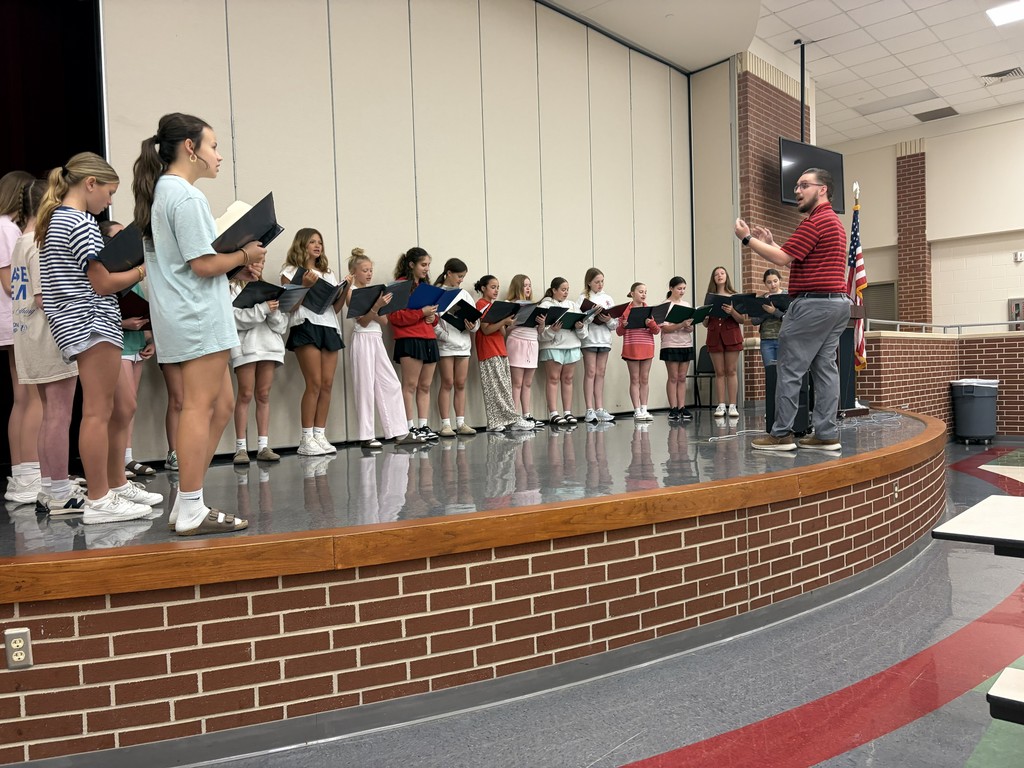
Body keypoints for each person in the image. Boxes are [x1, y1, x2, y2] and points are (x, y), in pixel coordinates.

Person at [133, 112, 265, 534]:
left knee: (222, 404)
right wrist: (244, 255)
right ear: (190, 148)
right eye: (212, 146)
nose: (219, 155)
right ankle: (190, 504)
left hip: (187, 310)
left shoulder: (166, 191)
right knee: (198, 405)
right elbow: (204, 262)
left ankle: (189, 498)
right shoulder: (184, 196)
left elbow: (194, 264)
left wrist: (233, 269)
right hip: (195, 315)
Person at [37, 152, 160, 523]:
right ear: (90, 184)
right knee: (97, 412)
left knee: (120, 406)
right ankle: (99, 498)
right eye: (108, 192)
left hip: (82, 323)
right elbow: (102, 281)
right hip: (91, 322)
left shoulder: (57, 218)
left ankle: (116, 485)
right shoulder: (81, 222)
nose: (109, 202)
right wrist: (140, 269)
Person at [735, 166, 851, 452]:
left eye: (804, 185)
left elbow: (784, 259)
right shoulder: (833, 222)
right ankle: (825, 433)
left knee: (789, 369)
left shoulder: (814, 221)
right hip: (837, 305)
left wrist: (748, 239)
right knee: (825, 370)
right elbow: (799, 256)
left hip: (811, 307)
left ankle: (781, 434)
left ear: (822, 189)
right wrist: (771, 242)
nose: (797, 191)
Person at [11, 179, 83, 513]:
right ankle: (60, 492)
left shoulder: (19, 242)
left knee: (48, 415)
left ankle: (47, 487)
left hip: (28, 337)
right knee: (58, 415)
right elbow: (44, 297)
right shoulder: (40, 243)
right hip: (50, 336)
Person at [346, 247, 422, 449]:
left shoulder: (376, 293)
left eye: (371, 270)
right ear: (354, 273)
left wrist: (382, 304)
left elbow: (384, 321)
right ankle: (366, 435)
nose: (369, 274)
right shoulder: (351, 292)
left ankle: (398, 431)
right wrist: (376, 306)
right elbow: (362, 321)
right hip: (362, 339)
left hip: (376, 339)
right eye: (364, 270)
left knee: (391, 383)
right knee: (365, 387)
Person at [280, 228, 345, 457]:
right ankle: (306, 438)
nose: (317, 246)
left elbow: (334, 309)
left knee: (327, 384)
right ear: (302, 245)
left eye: (320, 242)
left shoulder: (328, 273)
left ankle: (320, 434)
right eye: (312, 242)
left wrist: (343, 294)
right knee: (314, 382)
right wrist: (306, 286)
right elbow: (288, 306)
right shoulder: (290, 271)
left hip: (328, 326)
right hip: (305, 325)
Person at [100, 220, 157, 480]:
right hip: (116, 345)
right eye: (118, 235)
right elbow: (97, 314)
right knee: (120, 406)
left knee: (130, 405)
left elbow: (140, 308)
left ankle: (127, 458)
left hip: (135, 344)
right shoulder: (103, 273)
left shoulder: (132, 271)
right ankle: (113, 463)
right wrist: (123, 323)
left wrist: (150, 339)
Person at [0, 170, 43, 505]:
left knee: (23, 398)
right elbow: (11, 283)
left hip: (13, 320)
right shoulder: (7, 228)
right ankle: (28, 474)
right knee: (31, 399)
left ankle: (23, 474)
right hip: (18, 320)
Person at [229, 273, 289, 464]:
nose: (258, 266)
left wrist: (272, 312)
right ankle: (241, 449)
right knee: (245, 394)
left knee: (263, 394)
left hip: (269, 347)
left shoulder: (271, 291)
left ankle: (263, 446)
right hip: (246, 347)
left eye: (262, 263)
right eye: (255, 261)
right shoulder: (231, 287)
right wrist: (261, 309)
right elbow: (234, 319)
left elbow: (281, 325)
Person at [390, 247, 439, 441]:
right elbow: (395, 317)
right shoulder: (400, 286)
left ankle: (423, 425)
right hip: (409, 339)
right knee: (410, 385)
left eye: (428, 265)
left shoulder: (426, 287)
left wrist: (432, 317)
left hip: (428, 339)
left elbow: (433, 318)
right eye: (423, 265)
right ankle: (408, 427)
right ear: (411, 264)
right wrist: (421, 313)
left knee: (425, 386)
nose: (426, 269)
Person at [473, 275, 533, 433]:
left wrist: (505, 321)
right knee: (494, 387)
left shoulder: (494, 305)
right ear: (483, 288)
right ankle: (504, 420)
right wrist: (503, 322)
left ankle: (501, 420)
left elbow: (502, 332)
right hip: (488, 349)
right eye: (493, 287)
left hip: (500, 348)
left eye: (498, 287)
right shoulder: (481, 304)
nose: (496, 290)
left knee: (503, 387)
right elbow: (485, 329)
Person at [433, 258, 477, 437]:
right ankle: (445, 424)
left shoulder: (465, 294)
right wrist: (443, 336)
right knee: (447, 383)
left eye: (463, 277)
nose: (461, 280)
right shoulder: (437, 293)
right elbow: (432, 320)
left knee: (460, 383)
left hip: (463, 344)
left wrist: (472, 326)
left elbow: (477, 321)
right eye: (459, 276)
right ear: (448, 273)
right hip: (445, 344)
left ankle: (461, 422)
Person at [538, 277, 586, 426]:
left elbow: (583, 333)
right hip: (553, 347)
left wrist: (579, 327)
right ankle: (553, 412)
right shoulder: (545, 306)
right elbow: (540, 335)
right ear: (554, 290)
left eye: (567, 290)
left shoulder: (572, 305)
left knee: (568, 379)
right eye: (563, 290)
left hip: (571, 346)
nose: (565, 293)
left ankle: (567, 412)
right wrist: (552, 330)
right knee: (553, 379)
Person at [701, 265, 745, 418]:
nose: (719, 276)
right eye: (716, 274)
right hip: (714, 335)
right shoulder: (710, 296)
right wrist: (704, 316)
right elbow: (705, 323)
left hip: (731, 335)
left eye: (722, 273)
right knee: (719, 372)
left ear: (726, 277)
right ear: (713, 279)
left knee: (731, 371)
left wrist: (732, 311)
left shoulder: (734, 296)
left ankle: (732, 405)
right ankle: (721, 405)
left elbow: (742, 320)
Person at [504, 274, 545, 426]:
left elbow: (540, 332)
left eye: (529, 285)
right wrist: (516, 321)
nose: (528, 288)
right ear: (517, 287)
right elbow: (505, 330)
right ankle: (515, 417)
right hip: (517, 342)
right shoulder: (510, 304)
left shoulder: (534, 305)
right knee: (517, 383)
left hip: (532, 343)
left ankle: (526, 415)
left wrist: (542, 323)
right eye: (525, 285)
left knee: (527, 383)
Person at [616, 282, 660, 420]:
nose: (643, 294)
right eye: (640, 291)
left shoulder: (650, 310)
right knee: (635, 379)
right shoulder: (625, 310)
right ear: (632, 293)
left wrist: (651, 323)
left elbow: (657, 330)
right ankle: (636, 410)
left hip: (647, 346)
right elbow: (618, 332)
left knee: (645, 378)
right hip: (632, 347)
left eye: (645, 292)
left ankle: (644, 408)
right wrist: (623, 326)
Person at [579, 267, 617, 423]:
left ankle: (600, 408)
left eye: (602, 281)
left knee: (601, 373)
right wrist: (591, 314)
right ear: (589, 282)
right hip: (589, 340)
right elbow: (579, 321)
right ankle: (589, 409)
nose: (600, 284)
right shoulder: (582, 299)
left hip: (604, 339)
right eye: (597, 282)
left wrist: (608, 320)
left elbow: (614, 324)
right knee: (591, 372)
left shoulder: (608, 298)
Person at [659, 276, 694, 421]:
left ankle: (682, 406)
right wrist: (680, 324)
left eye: (684, 288)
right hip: (671, 344)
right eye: (679, 288)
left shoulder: (686, 305)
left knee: (682, 377)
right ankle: (673, 408)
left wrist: (689, 326)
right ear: (671, 288)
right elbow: (665, 328)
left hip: (685, 343)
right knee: (673, 377)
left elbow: (690, 327)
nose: (682, 291)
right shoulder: (664, 305)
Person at [752, 268, 786, 367]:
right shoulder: (761, 299)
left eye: (775, 281)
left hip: (784, 339)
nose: (773, 285)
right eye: (769, 282)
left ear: (780, 280)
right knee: (770, 371)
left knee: (784, 371)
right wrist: (766, 312)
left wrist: (774, 311)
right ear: (765, 283)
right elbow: (754, 321)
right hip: (767, 340)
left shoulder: (787, 296)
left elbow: (791, 318)